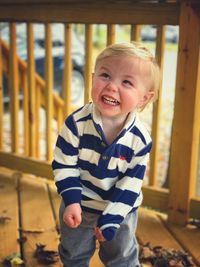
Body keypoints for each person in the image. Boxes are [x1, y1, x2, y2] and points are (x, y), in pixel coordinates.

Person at [52, 42, 160, 267]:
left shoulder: (140, 139)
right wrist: (71, 201)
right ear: (92, 78)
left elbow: (132, 182)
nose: (111, 87)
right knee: (73, 255)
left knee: (121, 257)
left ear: (144, 99)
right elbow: (64, 164)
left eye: (126, 82)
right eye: (105, 75)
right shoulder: (76, 124)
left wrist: (112, 217)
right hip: (79, 203)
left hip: (120, 209)